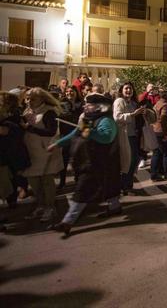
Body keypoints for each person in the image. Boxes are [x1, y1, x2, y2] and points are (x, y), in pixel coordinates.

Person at [48, 93, 122, 237]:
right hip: (90, 162)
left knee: (81, 191)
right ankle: (115, 207)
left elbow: (106, 137)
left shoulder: (106, 121)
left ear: (100, 107)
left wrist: (90, 132)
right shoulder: (89, 120)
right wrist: (57, 144)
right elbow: (75, 134)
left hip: (98, 163)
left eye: (89, 104)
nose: (85, 106)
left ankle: (67, 222)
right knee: (108, 186)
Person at [21, 88, 64, 223]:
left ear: (42, 99)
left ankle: (50, 208)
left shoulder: (49, 112)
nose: (29, 101)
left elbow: (51, 132)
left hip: (45, 152)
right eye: (27, 98)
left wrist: (29, 128)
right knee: (33, 181)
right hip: (31, 152)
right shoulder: (27, 111)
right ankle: (40, 205)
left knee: (46, 181)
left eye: (33, 98)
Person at [114, 82, 152, 194]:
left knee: (134, 160)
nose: (128, 91)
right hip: (125, 136)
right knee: (127, 162)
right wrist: (133, 115)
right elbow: (117, 117)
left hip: (134, 135)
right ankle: (125, 186)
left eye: (130, 89)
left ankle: (128, 184)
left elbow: (138, 118)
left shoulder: (133, 103)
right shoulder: (119, 101)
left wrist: (143, 113)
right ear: (121, 90)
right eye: (126, 89)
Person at [0, 92, 31, 223]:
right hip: (5, 150)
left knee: (11, 176)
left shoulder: (15, 114)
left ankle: (12, 199)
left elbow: (16, 130)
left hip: (10, 150)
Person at [58, 86, 83, 189]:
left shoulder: (81, 104)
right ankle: (62, 181)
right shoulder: (62, 104)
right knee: (64, 158)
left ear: (76, 92)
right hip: (66, 134)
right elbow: (62, 116)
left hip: (78, 134)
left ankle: (77, 179)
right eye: (67, 91)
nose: (69, 93)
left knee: (77, 158)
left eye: (71, 91)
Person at [151, 90, 167, 180]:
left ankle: (156, 173)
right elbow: (163, 118)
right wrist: (166, 133)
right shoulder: (165, 105)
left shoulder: (157, 103)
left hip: (155, 130)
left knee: (157, 152)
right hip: (162, 131)